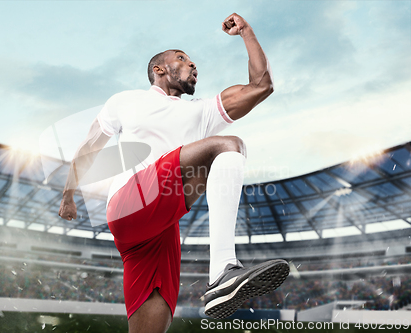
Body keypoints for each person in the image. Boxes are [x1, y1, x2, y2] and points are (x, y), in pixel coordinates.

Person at [59, 13, 289, 333]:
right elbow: (89, 147)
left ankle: (223, 278)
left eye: (194, 62)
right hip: (131, 200)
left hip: (161, 223)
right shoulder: (126, 101)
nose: (193, 65)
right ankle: (223, 270)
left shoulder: (201, 112)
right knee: (229, 145)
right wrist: (69, 193)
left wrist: (247, 32)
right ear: (160, 69)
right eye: (183, 59)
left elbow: (262, 86)